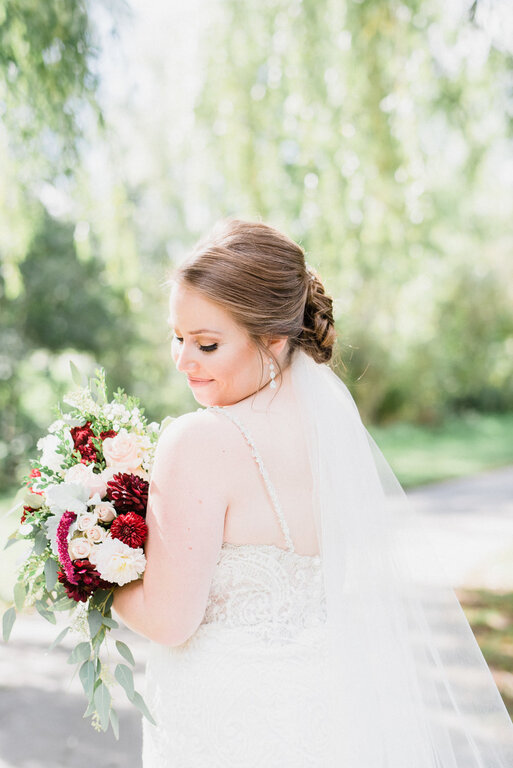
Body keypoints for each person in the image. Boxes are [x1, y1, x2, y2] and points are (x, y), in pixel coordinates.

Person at [113, 219, 513, 767]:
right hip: (329, 715)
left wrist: (89, 570)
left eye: (206, 343)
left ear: (273, 338)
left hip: (226, 727)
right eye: (177, 338)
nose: (183, 360)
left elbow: (169, 620)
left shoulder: (199, 441)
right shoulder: (329, 431)